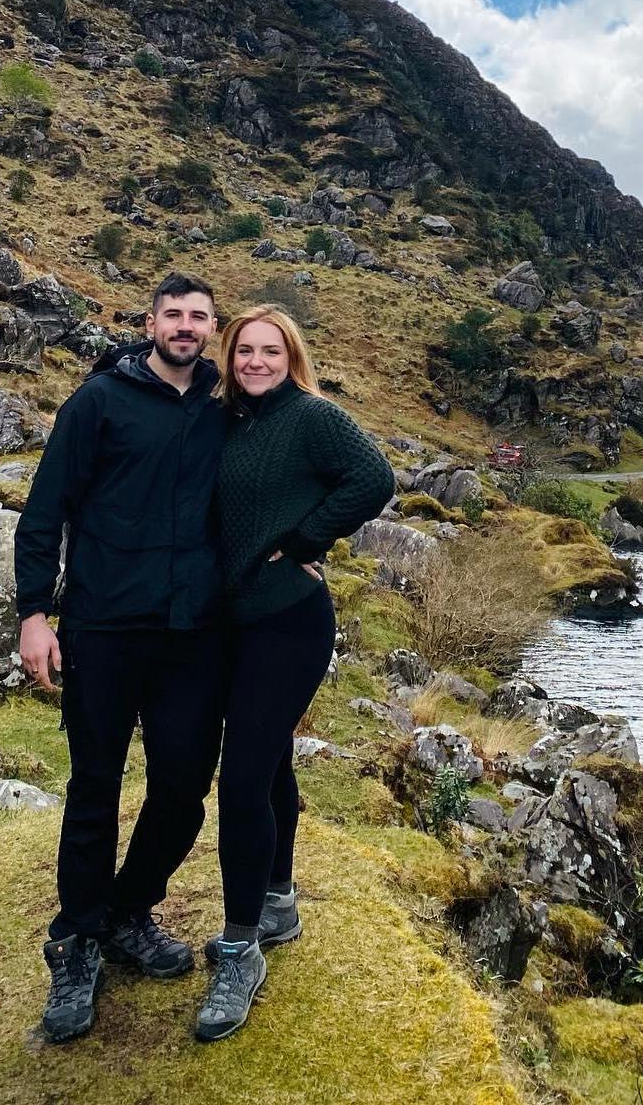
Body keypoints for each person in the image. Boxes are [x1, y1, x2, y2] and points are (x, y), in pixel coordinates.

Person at [13, 273, 228, 1045]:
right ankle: (74, 942)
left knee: (182, 785)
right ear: (150, 323)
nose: (186, 326)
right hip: (102, 627)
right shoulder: (97, 401)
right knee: (95, 784)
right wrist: (35, 614)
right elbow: (45, 512)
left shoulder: (223, 405)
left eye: (199, 316)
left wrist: (300, 554)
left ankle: (127, 912)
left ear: (212, 327)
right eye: (174, 314)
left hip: (191, 635)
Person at [194, 304, 395, 1042]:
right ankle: (277, 900)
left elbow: (375, 476)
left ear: (291, 356)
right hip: (235, 622)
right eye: (243, 350)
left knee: (241, 778)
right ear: (229, 355)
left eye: (268, 352)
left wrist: (308, 537)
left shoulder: (311, 416)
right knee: (270, 761)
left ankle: (241, 946)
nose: (254, 362)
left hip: (289, 621)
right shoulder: (228, 420)